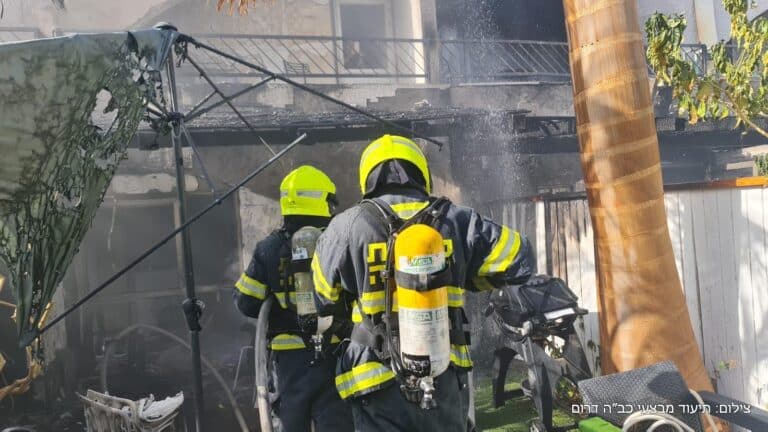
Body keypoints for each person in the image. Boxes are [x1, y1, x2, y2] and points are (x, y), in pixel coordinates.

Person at [311, 135, 536, 432]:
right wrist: (466, 274)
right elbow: (521, 260)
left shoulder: (345, 227)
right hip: (442, 373)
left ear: (367, 178)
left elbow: (323, 298)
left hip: (374, 379)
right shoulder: (458, 220)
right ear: (420, 172)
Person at [234, 165, 354, 432]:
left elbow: (246, 301)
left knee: (290, 423)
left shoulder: (269, 248)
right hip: (335, 351)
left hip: (290, 362)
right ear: (322, 201)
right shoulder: (340, 242)